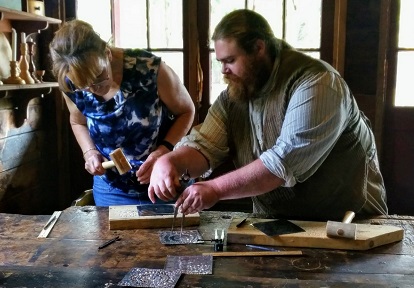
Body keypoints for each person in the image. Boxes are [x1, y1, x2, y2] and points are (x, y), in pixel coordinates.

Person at [147, 9, 388, 221]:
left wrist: (215, 189)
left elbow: (282, 162)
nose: (224, 70)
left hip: (349, 224)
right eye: (220, 62)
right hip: (279, 224)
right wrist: (172, 161)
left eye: (230, 60)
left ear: (258, 48)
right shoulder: (235, 95)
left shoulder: (317, 83)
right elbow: (205, 146)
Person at [49, 20, 195, 206]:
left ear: (107, 54)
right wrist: (89, 152)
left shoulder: (149, 69)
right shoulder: (70, 80)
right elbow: (78, 121)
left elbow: (187, 111)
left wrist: (163, 150)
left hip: (164, 181)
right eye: (85, 87)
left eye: (98, 78)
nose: (94, 90)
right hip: (111, 189)